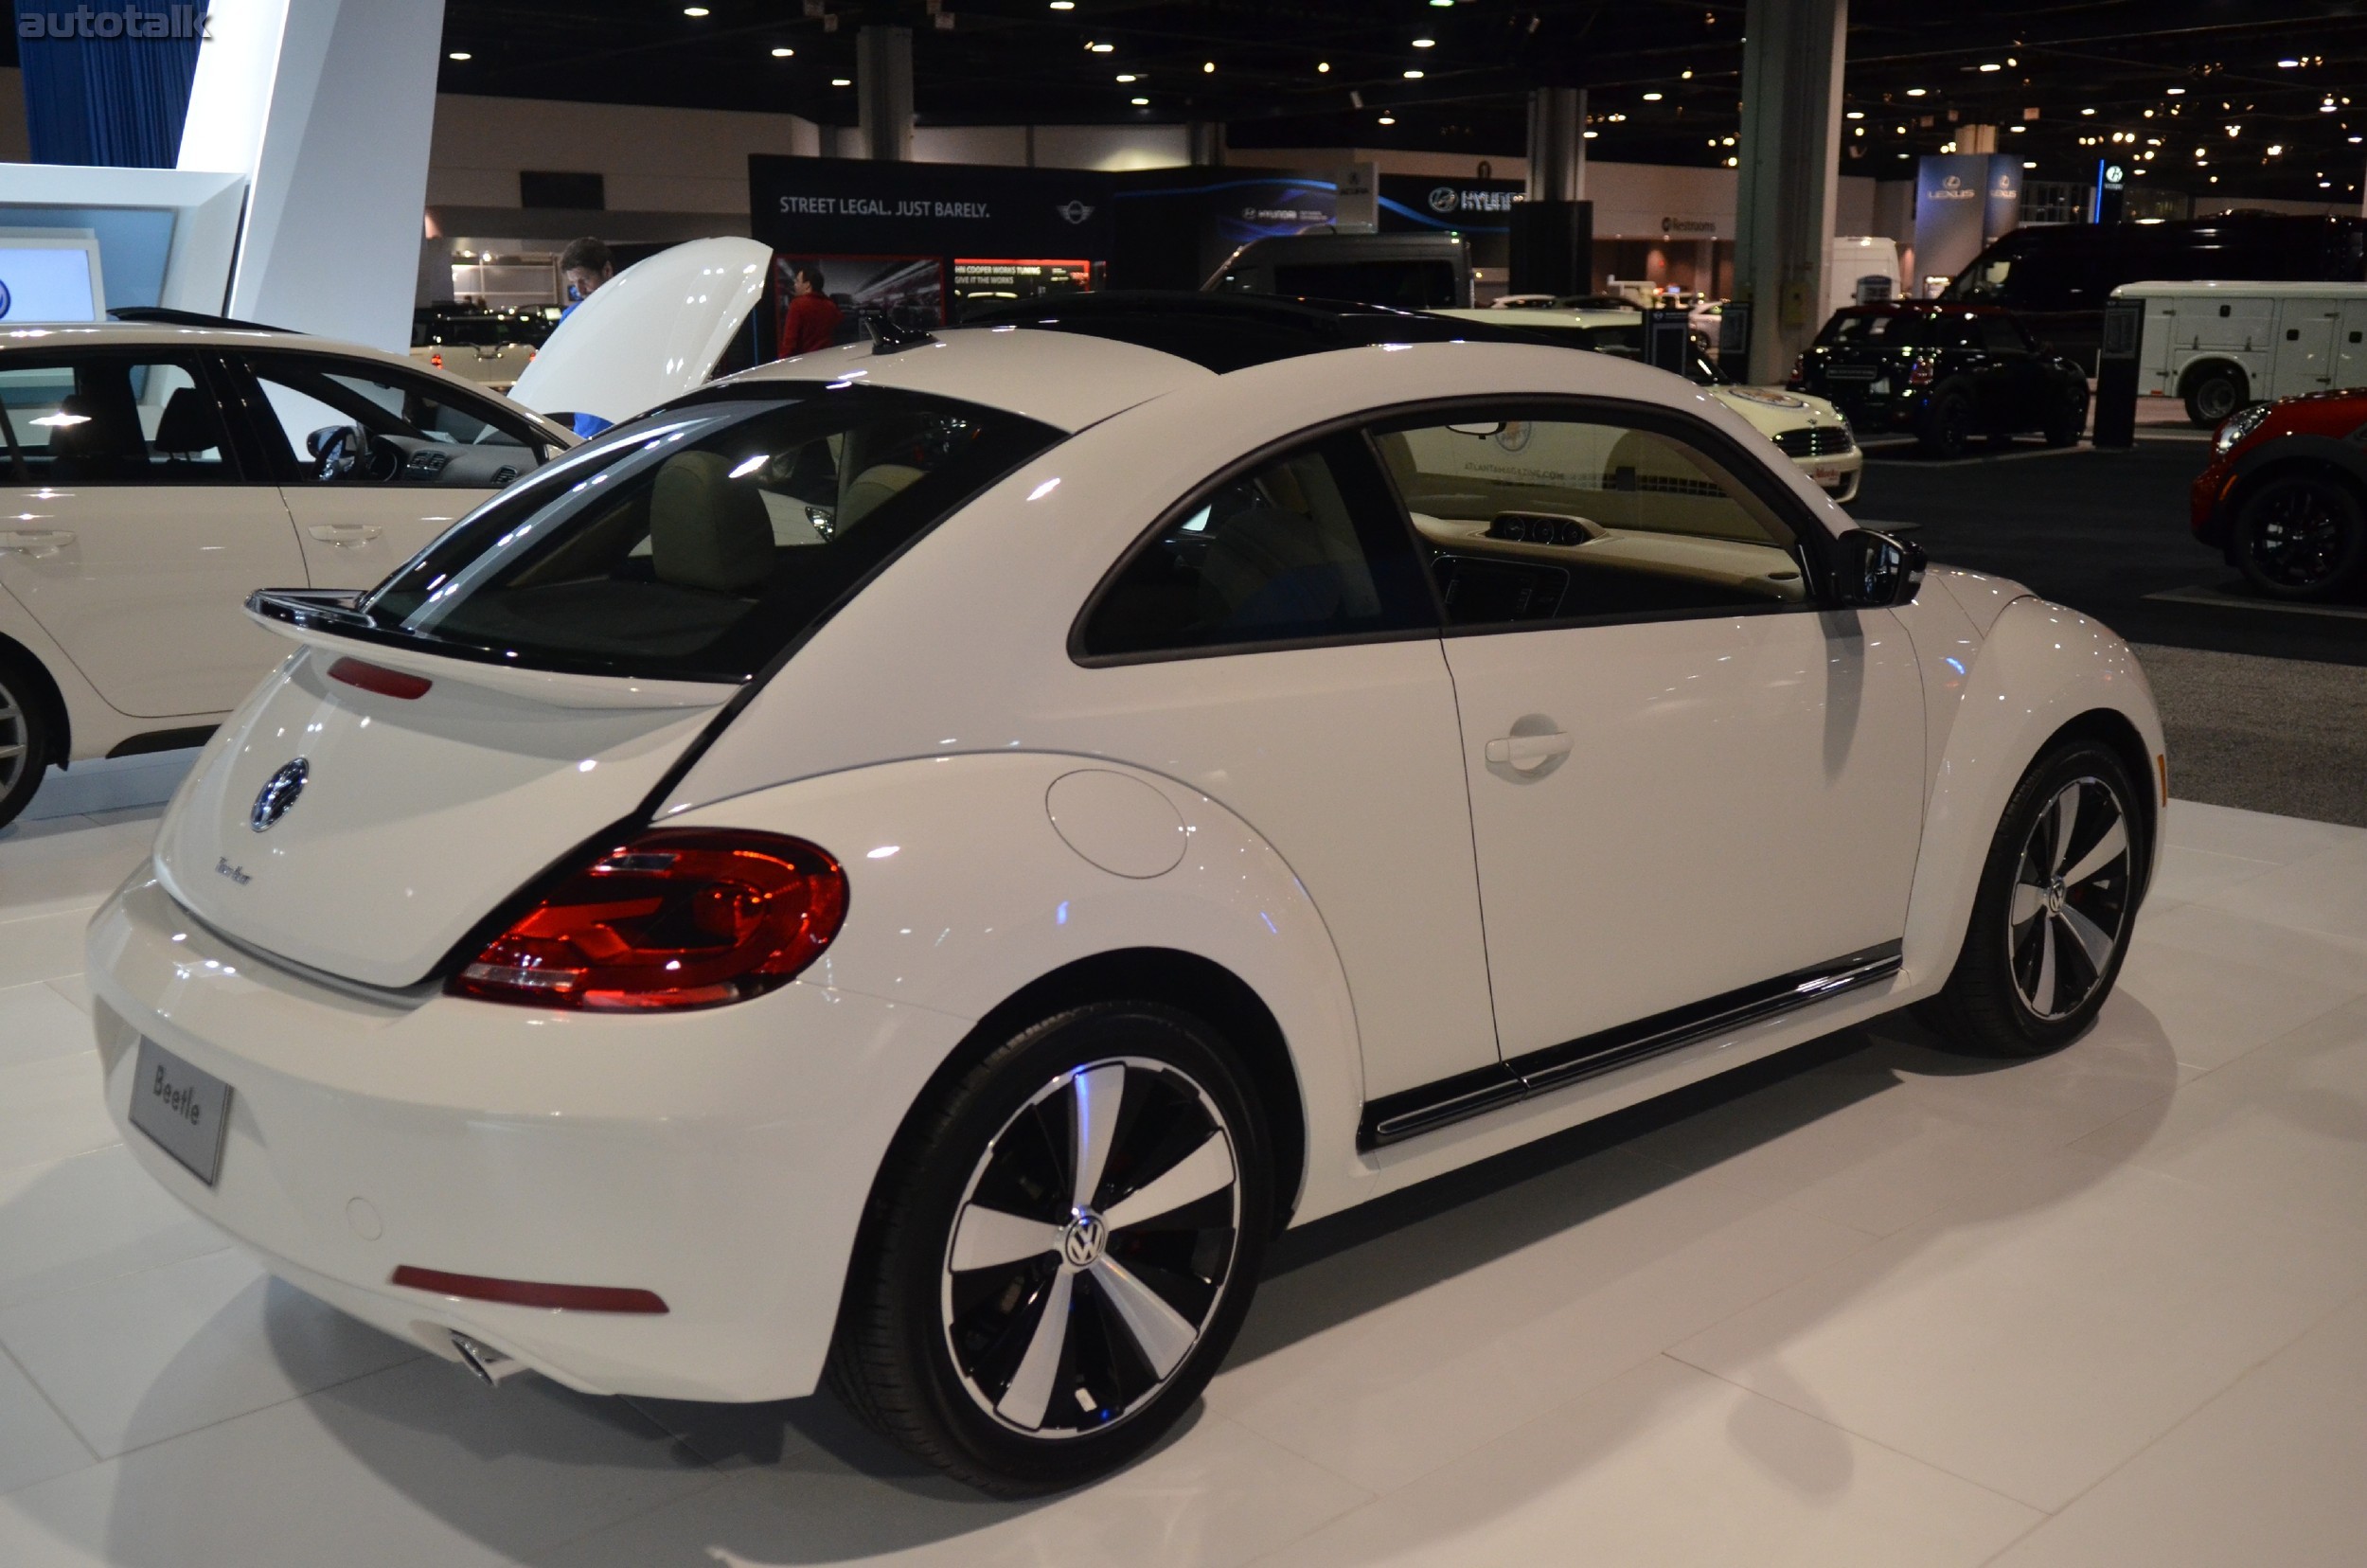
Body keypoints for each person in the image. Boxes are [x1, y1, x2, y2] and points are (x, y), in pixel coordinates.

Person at [557, 236, 615, 439]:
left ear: (606, 270)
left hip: (633, 426)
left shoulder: (635, 310)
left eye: (585, 280)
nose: (579, 290)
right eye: (574, 283)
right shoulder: (571, 317)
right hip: (589, 430)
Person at [776, 260, 843, 360]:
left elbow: (790, 341)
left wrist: (782, 362)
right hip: (827, 361)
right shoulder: (831, 306)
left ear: (807, 285)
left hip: (804, 362)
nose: (795, 285)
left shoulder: (797, 305)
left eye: (797, 281)